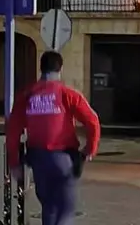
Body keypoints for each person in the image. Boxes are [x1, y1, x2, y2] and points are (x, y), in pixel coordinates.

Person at [6, 51, 101, 225]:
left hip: (37, 159)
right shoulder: (67, 94)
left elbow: (13, 130)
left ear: (40, 68)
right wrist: (90, 149)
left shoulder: (26, 95)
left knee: (49, 208)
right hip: (63, 158)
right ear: (61, 69)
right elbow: (92, 121)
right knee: (65, 209)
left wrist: (14, 162)